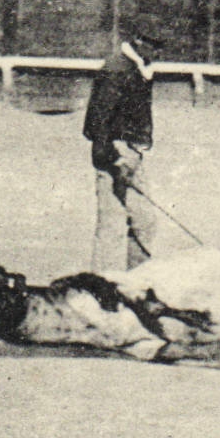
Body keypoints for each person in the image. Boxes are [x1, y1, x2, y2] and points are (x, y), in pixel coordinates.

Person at [82, 31, 160, 273]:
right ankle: (101, 288)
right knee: (112, 226)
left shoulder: (136, 67)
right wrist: (114, 159)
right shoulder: (117, 69)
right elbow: (97, 122)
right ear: (139, 42)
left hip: (132, 155)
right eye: (155, 46)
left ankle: (138, 281)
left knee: (144, 221)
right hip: (115, 155)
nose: (158, 53)